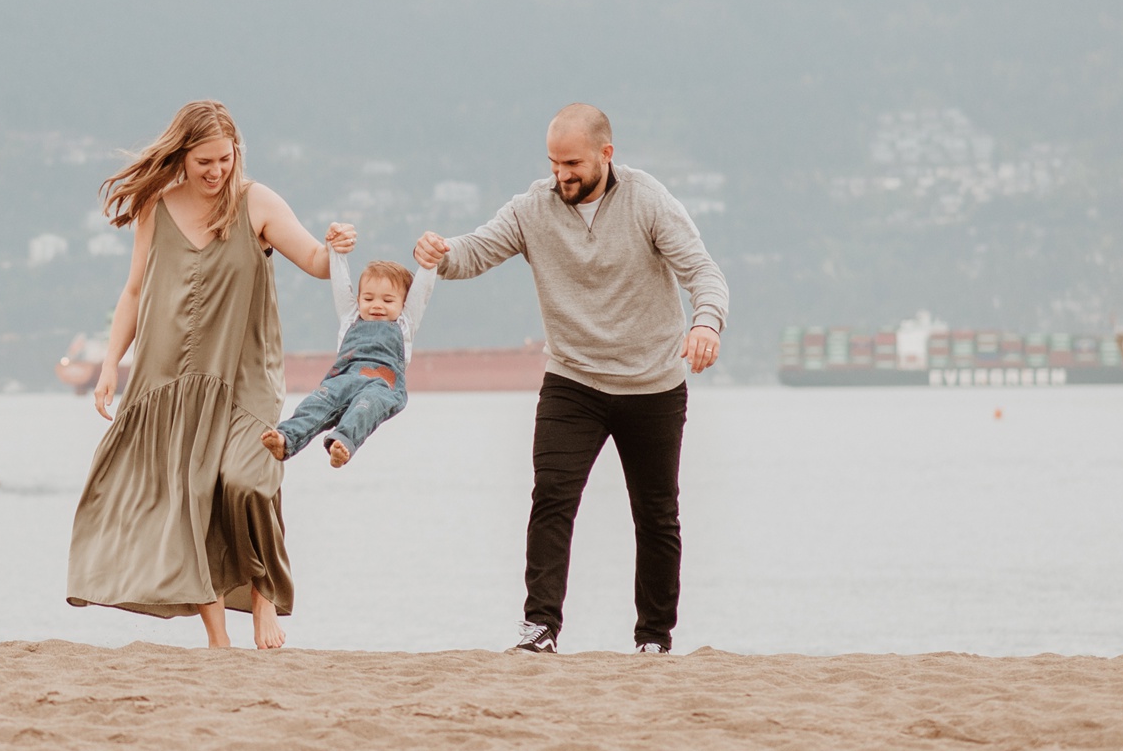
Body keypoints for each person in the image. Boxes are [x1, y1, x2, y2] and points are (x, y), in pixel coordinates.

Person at [414, 103, 728, 655]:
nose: (562, 174)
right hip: (573, 381)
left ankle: (654, 639)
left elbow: (703, 272)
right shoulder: (532, 208)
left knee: (656, 513)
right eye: (555, 163)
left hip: (652, 383)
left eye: (573, 163)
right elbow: (475, 253)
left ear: (607, 155)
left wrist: (705, 324)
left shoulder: (646, 199)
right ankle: (540, 629)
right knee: (552, 498)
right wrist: (440, 254)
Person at [66, 99, 354, 649]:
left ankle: (263, 596)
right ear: (182, 155)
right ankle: (218, 638)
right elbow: (133, 290)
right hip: (170, 378)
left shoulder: (256, 203)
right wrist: (109, 366)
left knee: (246, 481)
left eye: (225, 159)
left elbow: (316, 262)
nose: (217, 171)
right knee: (190, 498)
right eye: (204, 161)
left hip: (245, 375)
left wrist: (335, 246)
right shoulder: (156, 205)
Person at [263, 260, 413, 467]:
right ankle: (285, 439)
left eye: (388, 301)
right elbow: (341, 284)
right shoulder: (351, 317)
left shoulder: (405, 324)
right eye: (368, 298)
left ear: (404, 305)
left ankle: (342, 443)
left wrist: (430, 264)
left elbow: (421, 294)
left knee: (364, 409)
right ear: (358, 299)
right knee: (314, 404)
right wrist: (338, 251)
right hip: (342, 379)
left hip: (381, 385)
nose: (377, 305)